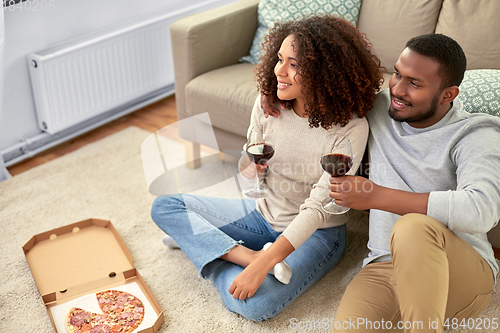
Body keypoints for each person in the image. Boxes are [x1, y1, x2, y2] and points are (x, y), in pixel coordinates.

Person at [150, 14, 383, 321]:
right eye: (279, 58)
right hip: (261, 215)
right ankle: (245, 254)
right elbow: (249, 164)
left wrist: (264, 265)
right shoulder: (268, 104)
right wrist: (256, 260)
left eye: (294, 64)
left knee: (256, 304)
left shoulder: (350, 128)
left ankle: (211, 249)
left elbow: (318, 208)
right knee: (165, 206)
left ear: (325, 73)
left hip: (316, 234)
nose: (279, 71)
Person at [326, 34, 500, 332]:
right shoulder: (382, 107)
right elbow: (321, 94)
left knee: (412, 226)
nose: (397, 89)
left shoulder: (476, 133)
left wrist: (376, 197)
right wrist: (275, 96)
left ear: (448, 94)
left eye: (414, 83)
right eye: (397, 74)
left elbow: (482, 209)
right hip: (384, 267)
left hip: (458, 271)